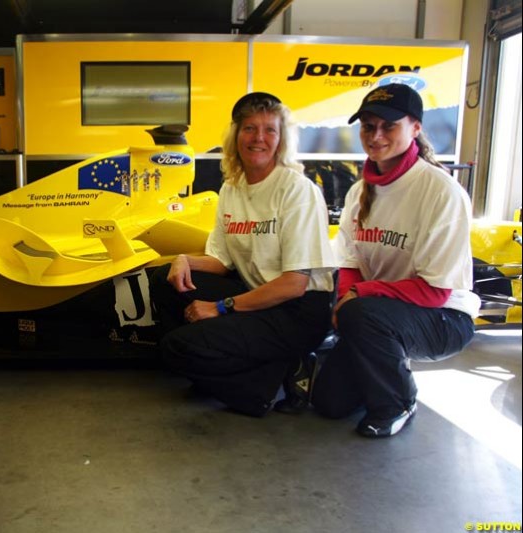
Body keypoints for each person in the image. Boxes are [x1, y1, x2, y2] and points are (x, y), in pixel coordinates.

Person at [149, 92, 336, 417]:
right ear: (236, 136)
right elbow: (221, 263)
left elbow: (293, 284)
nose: (258, 138)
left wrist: (220, 308)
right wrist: (183, 259)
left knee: (177, 347)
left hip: (298, 310)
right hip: (257, 296)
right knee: (163, 281)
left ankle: (258, 387)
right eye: (249, 128)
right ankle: (275, 363)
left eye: (269, 130)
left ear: (281, 140)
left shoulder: (296, 190)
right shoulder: (232, 188)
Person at [312, 83, 479, 438]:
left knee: (361, 313)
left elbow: (434, 293)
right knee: (329, 404)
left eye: (389, 126)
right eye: (368, 126)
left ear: (415, 128)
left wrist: (358, 296)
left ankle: (400, 401)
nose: (376, 136)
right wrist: (346, 297)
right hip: (380, 312)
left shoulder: (440, 192)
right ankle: (383, 363)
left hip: (444, 317)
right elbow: (349, 262)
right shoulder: (360, 192)